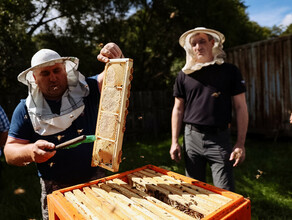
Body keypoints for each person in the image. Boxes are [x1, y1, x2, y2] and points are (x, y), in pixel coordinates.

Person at [4, 43, 123, 220]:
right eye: (45, 73)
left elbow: (116, 75)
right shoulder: (25, 109)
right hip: (55, 186)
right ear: (35, 78)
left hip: (95, 178)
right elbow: (9, 151)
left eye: (56, 71)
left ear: (65, 70)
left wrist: (116, 58)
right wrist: (30, 151)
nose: (53, 77)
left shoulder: (87, 89)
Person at [170, 27, 248, 192]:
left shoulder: (229, 71)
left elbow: (241, 107)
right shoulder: (184, 75)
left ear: (213, 42)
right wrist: (174, 141)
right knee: (193, 192)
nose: (198, 46)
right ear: (190, 48)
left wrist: (240, 143)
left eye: (202, 41)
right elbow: (178, 109)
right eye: (194, 43)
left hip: (219, 140)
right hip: (191, 138)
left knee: (225, 194)